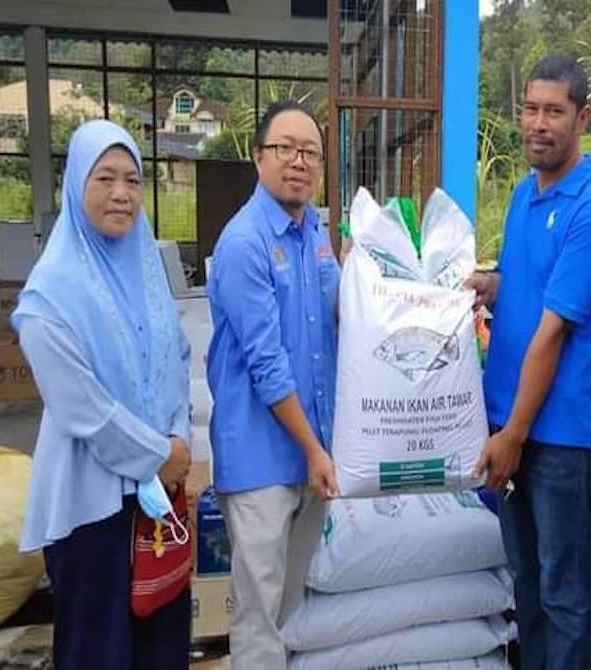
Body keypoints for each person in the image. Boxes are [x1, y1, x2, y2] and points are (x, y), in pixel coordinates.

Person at [468, 53, 591, 669]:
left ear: (582, 117)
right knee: (525, 586)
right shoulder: (523, 192)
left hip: (556, 438)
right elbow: (528, 282)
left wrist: (513, 434)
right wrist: (493, 282)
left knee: (563, 592)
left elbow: (553, 331)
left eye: (554, 111)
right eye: (530, 109)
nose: (538, 123)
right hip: (510, 425)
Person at [13, 119, 192, 670]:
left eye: (133, 180)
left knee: (163, 645)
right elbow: (81, 409)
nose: (121, 194)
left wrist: (180, 438)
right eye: (105, 178)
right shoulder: (49, 297)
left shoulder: (147, 270)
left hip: (158, 502)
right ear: (76, 186)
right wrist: (160, 457)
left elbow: (179, 359)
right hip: (92, 510)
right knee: (99, 652)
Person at [206, 101, 340, 669]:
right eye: (285, 148)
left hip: (311, 455)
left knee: (288, 606)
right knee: (259, 615)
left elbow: (340, 315)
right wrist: (314, 449)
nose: (298, 162)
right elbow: (267, 363)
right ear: (258, 157)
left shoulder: (315, 230)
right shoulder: (244, 242)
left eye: (310, 152)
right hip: (264, 457)